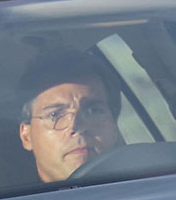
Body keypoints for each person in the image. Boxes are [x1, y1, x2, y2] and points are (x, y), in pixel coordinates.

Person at [15, 51, 125, 183]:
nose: (77, 126)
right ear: (26, 136)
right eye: (55, 115)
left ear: (114, 125)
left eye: (94, 111)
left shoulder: (149, 190)